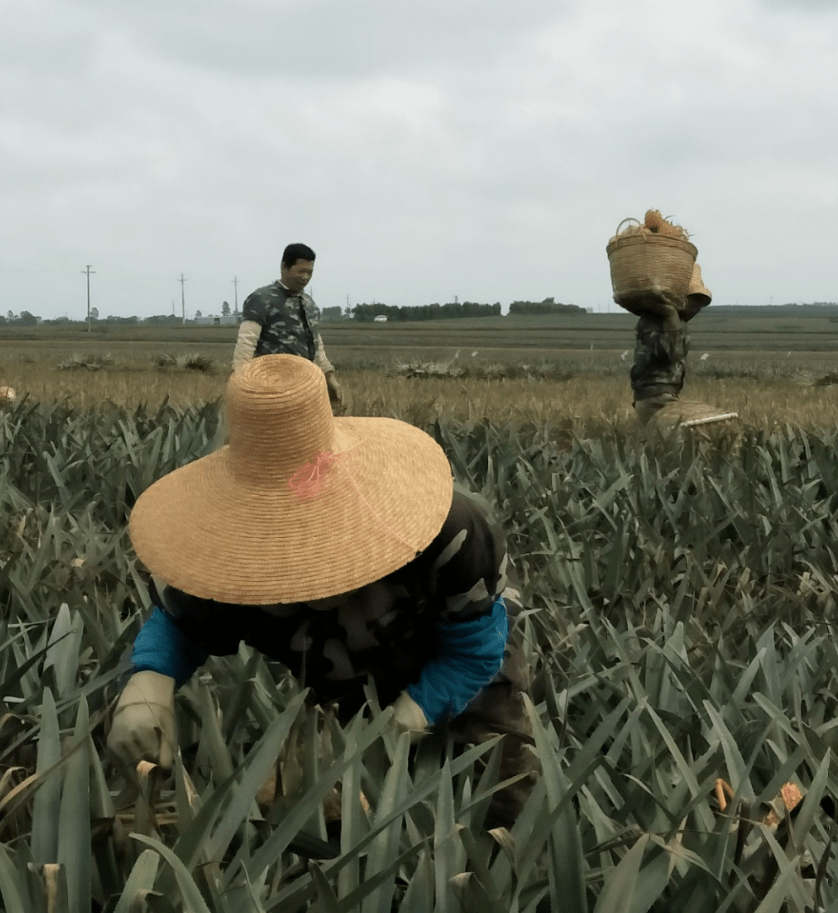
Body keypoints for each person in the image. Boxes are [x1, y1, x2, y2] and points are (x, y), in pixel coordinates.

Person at [108, 354, 536, 827]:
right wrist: (148, 683)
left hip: (463, 656)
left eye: (321, 551)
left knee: (497, 789)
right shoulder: (221, 553)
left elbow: (473, 653)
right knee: (338, 806)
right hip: (343, 669)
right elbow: (181, 620)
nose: (310, 586)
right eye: (285, 561)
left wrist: (403, 723)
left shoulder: (451, 532)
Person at [231, 243, 343, 406]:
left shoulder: (309, 303)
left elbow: (317, 346)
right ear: (284, 267)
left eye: (309, 272)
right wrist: (241, 384)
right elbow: (246, 342)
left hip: (305, 387)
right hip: (270, 389)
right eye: (301, 271)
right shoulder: (261, 299)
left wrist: (329, 376)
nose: (305, 277)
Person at [630, 263, 711, 426]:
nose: (694, 307)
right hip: (654, 398)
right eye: (692, 300)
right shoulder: (656, 319)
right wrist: (670, 314)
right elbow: (670, 354)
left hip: (663, 395)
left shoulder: (675, 319)